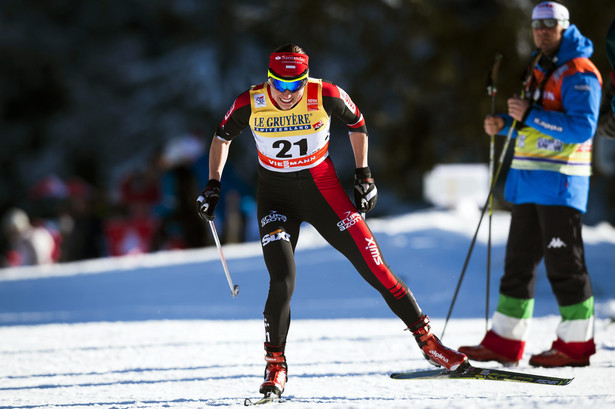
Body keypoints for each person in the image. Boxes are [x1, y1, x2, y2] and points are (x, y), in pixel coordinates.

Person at [196, 43, 468, 398]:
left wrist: (364, 174)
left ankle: (430, 344)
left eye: (296, 86)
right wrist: (214, 184)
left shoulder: (325, 93)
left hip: (324, 194)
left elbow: (357, 123)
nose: (288, 94)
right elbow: (221, 137)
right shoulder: (250, 102)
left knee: (376, 267)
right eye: (281, 85)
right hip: (276, 198)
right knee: (283, 279)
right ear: (269, 80)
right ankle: (275, 365)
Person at [459, 1, 602, 368]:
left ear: (565, 27)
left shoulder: (580, 73)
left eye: (549, 24)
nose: (541, 30)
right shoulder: (539, 66)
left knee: (564, 266)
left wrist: (529, 115)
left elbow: (582, 128)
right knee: (517, 265)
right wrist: (504, 125)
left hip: (560, 185)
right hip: (526, 185)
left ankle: (576, 345)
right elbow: (530, 124)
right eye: (537, 24)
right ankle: (505, 341)